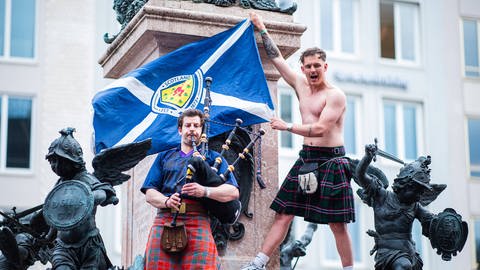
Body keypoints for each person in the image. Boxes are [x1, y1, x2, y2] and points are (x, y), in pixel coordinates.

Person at [242, 12, 355, 270]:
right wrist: (261, 27)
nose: (313, 70)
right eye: (308, 66)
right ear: (303, 68)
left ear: (325, 67)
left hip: (332, 160)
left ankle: (348, 268)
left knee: (337, 224)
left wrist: (287, 126)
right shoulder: (300, 85)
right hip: (306, 160)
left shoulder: (335, 95)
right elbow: (276, 58)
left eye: (318, 65)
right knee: (283, 214)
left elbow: (320, 128)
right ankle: (257, 264)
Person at [141, 108, 240, 269]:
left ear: (201, 131)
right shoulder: (165, 156)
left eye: (196, 125)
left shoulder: (213, 158)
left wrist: (204, 191)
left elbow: (233, 192)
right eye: (188, 126)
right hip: (165, 220)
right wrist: (166, 201)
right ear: (180, 130)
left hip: (198, 218)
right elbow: (150, 192)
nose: (192, 129)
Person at [355, 144, 440, 269]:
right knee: (403, 265)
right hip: (387, 254)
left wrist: (439, 225)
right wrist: (367, 157)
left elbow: (433, 223)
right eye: (417, 191)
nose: (418, 197)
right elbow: (360, 175)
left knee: (405, 265)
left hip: (409, 255)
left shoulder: (414, 206)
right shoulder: (381, 196)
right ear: (405, 185)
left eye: (421, 193)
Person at [45, 128, 117, 269]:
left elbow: (102, 192)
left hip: (88, 244)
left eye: (61, 161)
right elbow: (55, 215)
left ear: (73, 161)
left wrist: (88, 198)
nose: (56, 166)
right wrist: (48, 236)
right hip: (63, 246)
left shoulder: (84, 179)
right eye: (53, 161)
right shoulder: (60, 185)